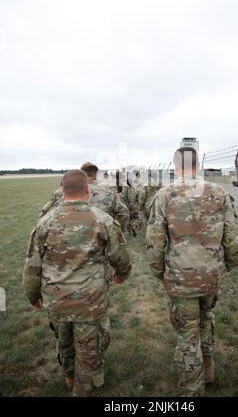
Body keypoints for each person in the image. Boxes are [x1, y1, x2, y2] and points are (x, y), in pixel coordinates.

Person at [146, 147, 238, 396]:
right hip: (210, 274)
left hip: (180, 277)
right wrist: (225, 266)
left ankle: (192, 390)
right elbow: (234, 238)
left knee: (187, 331)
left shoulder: (165, 195)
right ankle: (208, 368)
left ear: (175, 165)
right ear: (198, 164)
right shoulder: (219, 192)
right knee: (205, 318)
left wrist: (159, 271)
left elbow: (155, 240)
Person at [23, 170, 131, 396]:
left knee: (64, 342)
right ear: (87, 190)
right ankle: (83, 386)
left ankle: (70, 378)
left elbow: (32, 266)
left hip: (57, 300)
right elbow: (120, 256)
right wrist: (122, 274)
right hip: (90, 302)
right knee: (89, 349)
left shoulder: (45, 222)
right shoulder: (102, 219)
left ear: (62, 191)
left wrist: (33, 296)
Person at [80, 162, 129, 232]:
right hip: (103, 235)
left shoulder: (72, 193)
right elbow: (124, 213)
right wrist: (114, 231)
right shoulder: (109, 193)